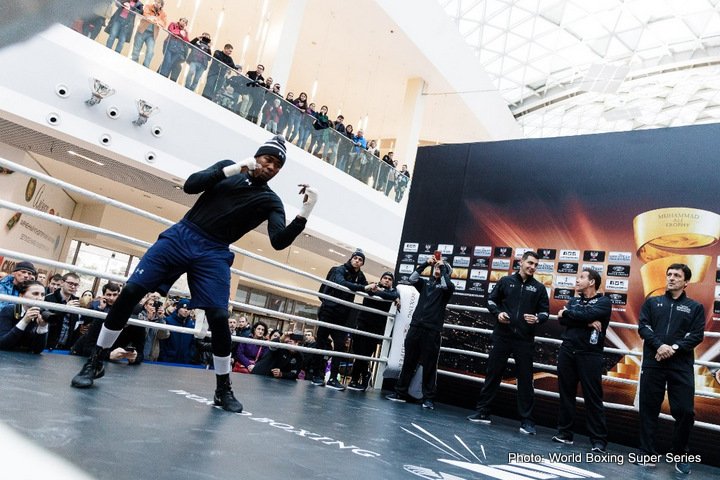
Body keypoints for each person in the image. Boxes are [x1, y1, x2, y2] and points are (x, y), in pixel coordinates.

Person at [70, 135, 318, 415]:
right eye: (268, 159)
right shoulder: (229, 168)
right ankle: (95, 359)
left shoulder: (270, 201)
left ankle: (223, 388)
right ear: (258, 156)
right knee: (130, 292)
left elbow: (279, 242)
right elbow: (190, 185)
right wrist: (235, 168)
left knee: (220, 318)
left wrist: (306, 211)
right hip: (183, 235)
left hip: (214, 252)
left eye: (277, 165)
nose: (271, 166)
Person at [467, 251, 549, 434]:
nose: (532, 267)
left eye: (536, 265)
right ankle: (482, 413)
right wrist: (498, 314)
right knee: (493, 374)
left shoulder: (539, 288)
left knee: (526, 380)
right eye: (530, 263)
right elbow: (491, 301)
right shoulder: (505, 281)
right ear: (521, 262)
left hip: (524, 340)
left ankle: (527, 421)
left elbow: (545, 313)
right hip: (502, 336)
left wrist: (536, 319)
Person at [635, 263, 705, 474]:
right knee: (648, 409)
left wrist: (672, 348)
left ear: (686, 282)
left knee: (685, 411)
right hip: (653, 362)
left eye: (677, 275)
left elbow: (696, 335)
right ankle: (646, 452)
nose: (671, 278)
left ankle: (680, 453)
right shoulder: (652, 302)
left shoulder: (695, 307)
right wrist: (659, 346)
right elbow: (643, 327)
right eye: (669, 274)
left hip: (680, 366)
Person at [552, 268, 611, 452]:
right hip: (568, 350)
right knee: (566, 393)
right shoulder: (574, 300)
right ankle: (565, 434)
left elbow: (575, 316)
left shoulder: (604, 302)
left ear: (592, 282)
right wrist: (584, 322)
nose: (577, 280)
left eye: (582, 277)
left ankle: (598, 440)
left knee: (593, 397)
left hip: (590, 353)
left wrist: (568, 315)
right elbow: (562, 321)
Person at [386, 257, 455, 409]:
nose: (437, 269)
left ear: (446, 272)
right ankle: (400, 393)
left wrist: (443, 268)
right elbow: (411, 278)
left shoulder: (448, 287)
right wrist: (425, 264)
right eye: (436, 268)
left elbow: (445, 285)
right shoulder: (425, 283)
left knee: (429, 365)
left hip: (432, 330)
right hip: (416, 326)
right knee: (408, 361)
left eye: (440, 268)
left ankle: (428, 398)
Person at [311, 250, 374, 390]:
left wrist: (377, 290)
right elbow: (342, 283)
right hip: (328, 310)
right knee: (321, 343)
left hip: (342, 314)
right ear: (351, 259)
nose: (357, 261)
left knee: (340, 346)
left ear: (362, 263)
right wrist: (364, 287)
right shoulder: (339, 269)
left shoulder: (360, 275)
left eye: (360, 260)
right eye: (355, 258)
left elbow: (366, 290)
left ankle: (333, 378)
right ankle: (316, 375)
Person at [347, 271, 399, 392]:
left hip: (375, 329)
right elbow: (369, 290)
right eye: (384, 278)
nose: (386, 280)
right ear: (380, 279)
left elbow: (391, 296)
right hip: (362, 324)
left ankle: (356, 379)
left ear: (392, 282)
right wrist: (377, 290)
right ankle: (362, 376)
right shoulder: (372, 286)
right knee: (359, 353)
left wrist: (382, 293)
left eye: (389, 279)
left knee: (365, 355)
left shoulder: (393, 292)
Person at [0, 281, 48, 353]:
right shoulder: (10, 310)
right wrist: (24, 321)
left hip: (27, 360)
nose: (40, 298)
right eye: (35, 294)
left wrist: (42, 327)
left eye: (43, 295)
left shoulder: (42, 313)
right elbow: (3, 344)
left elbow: (38, 350)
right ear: (21, 295)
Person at [43, 272, 82, 350]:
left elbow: (75, 326)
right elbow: (49, 319)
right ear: (62, 283)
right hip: (47, 344)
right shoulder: (49, 298)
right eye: (70, 283)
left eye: (76, 284)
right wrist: (65, 309)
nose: (73, 286)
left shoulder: (76, 302)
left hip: (65, 348)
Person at [130, 0, 167, 68]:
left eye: (158, 2)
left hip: (152, 35)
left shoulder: (163, 14)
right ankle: (133, 65)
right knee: (136, 50)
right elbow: (145, 14)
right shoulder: (148, 6)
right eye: (156, 1)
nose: (156, 3)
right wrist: (153, 18)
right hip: (142, 31)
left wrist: (156, 19)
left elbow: (164, 23)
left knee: (150, 52)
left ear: (161, 5)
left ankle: (145, 67)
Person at [158, 298, 195, 364]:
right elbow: (162, 342)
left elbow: (192, 344)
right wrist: (164, 356)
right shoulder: (168, 320)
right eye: (184, 308)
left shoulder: (191, 324)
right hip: (168, 360)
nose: (186, 310)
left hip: (185, 361)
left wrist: (190, 356)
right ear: (178, 308)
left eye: (188, 309)